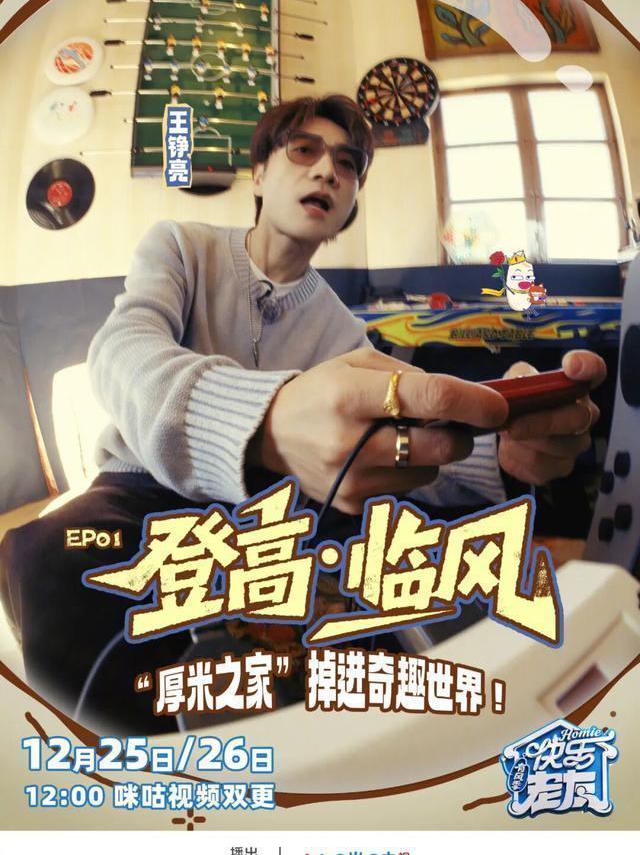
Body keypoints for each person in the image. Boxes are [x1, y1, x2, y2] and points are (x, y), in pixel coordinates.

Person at [0, 94, 605, 731]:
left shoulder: (344, 332)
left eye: (347, 164)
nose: (327, 172)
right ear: (260, 173)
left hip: (279, 505)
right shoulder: (181, 246)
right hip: (142, 488)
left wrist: (497, 445)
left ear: (350, 201)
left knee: (407, 552)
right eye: (305, 150)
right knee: (50, 557)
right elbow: (122, 350)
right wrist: (265, 420)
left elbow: (393, 444)